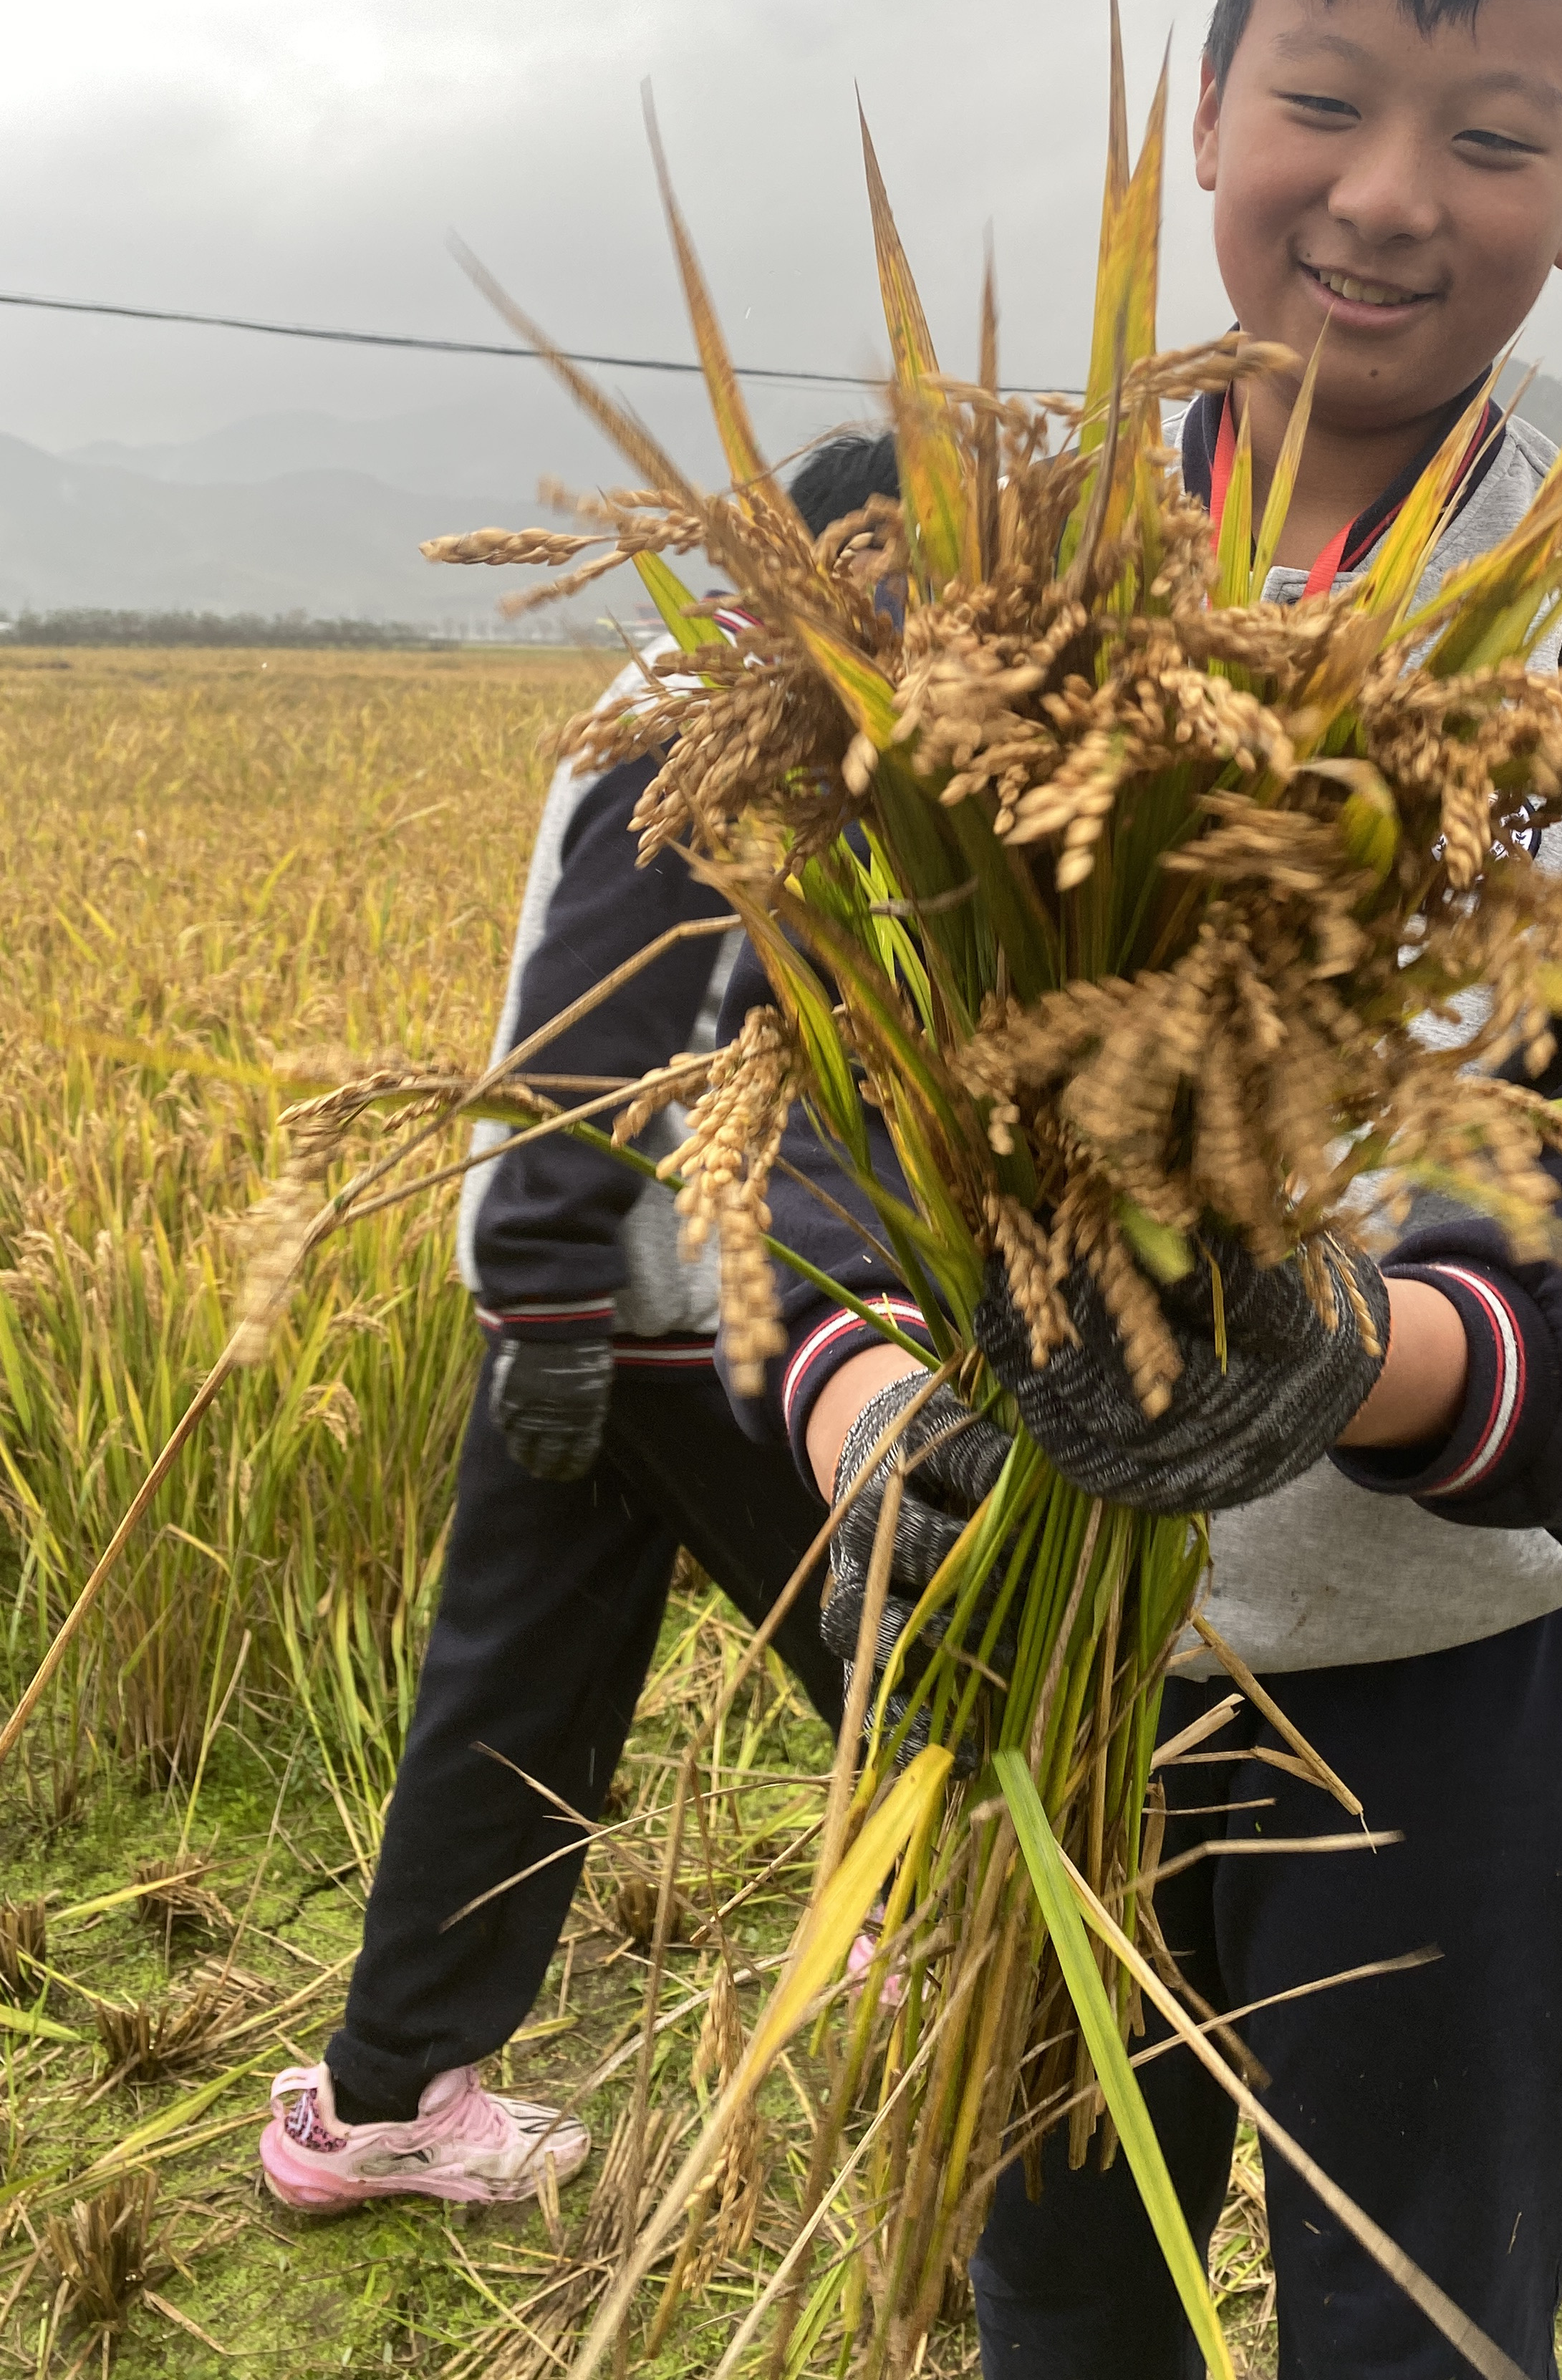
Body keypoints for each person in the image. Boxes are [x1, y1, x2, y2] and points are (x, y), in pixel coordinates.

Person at [720, 0, 1562, 2377]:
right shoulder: (986, 555)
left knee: (1420, 2322)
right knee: (1054, 2293)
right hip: (1031, 1670)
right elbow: (794, 1079)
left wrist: (1377, 1356)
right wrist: (859, 1397)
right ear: (1202, 104)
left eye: (1490, 132)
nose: (1380, 194)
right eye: (1320, 99)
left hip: (1459, 1669)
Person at [258, 430, 897, 2212]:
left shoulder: (739, 692)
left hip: (596, 1298)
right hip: (692, 1305)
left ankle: (382, 2096)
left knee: (511, 1698)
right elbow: (601, 1010)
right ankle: (932, 1939)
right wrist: (550, 1286)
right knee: (925, 1641)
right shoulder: (730, 713)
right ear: (853, 558)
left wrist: (536, 1296)